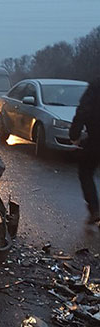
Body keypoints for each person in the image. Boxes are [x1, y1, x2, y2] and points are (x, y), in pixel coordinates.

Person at [69, 78, 100, 224]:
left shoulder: (95, 87)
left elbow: (83, 111)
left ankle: (94, 209)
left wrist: (74, 134)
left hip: (96, 139)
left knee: (86, 172)